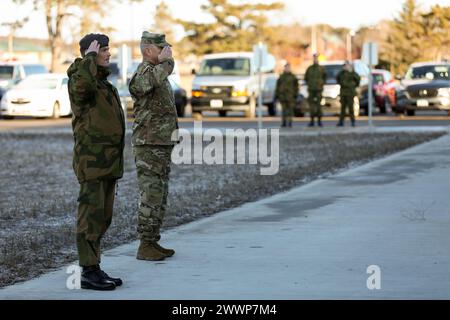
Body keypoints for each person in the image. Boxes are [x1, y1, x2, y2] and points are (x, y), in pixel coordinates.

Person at [67, 33, 125, 291]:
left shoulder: (104, 84)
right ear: (90, 52)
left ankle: (94, 267)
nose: (108, 54)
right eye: (103, 50)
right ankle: (87, 271)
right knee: (90, 216)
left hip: (109, 162)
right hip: (92, 162)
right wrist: (89, 58)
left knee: (103, 217)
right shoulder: (80, 79)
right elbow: (82, 89)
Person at [129, 32, 179, 261]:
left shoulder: (159, 73)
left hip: (160, 143)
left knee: (160, 193)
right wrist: (167, 64)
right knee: (150, 194)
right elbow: (144, 86)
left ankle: (153, 240)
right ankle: (145, 244)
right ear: (149, 50)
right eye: (162, 49)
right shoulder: (144, 72)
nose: (167, 53)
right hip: (148, 145)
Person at [304, 53, 326, 127]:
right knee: (312, 106)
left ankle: (319, 121)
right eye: (314, 58)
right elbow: (306, 78)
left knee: (318, 106)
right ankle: (312, 121)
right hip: (311, 90)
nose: (315, 59)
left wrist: (321, 84)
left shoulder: (321, 68)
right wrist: (310, 84)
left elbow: (325, 77)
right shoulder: (309, 68)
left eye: (316, 58)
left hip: (319, 90)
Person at [336, 61, 360, 127]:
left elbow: (358, 80)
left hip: (350, 93)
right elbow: (337, 78)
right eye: (344, 66)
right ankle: (341, 122)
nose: (346, 67)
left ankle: (353, 122)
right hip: (343, 93)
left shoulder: (352, 73)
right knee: (342, 109)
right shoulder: (341, 73)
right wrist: (342, 70)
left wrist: (351, 71)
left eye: (347, 65)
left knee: (351, 108)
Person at [275, 63, 298, 128]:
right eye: (286, 67)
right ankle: (284, 122)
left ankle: (290, 122)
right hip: (283, 96)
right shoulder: (281, 77)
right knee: (284, 110)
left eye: (288, 67)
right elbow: (278, 86)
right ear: (284, 68)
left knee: (290, 110)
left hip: (290, 96)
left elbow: (296, 86)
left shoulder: (293, 77)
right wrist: (277, 95)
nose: (287, 69)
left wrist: (295, 94)